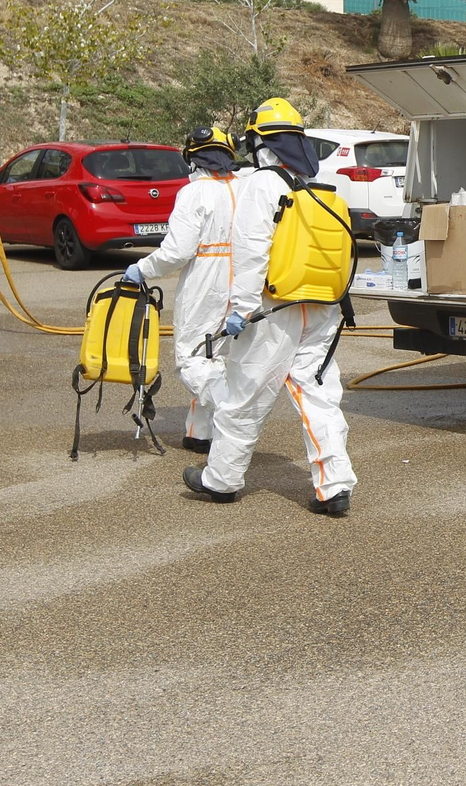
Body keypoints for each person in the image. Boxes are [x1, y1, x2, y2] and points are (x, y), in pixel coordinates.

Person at [182, 98, 357, 514]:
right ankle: (334, 487)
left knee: (244, 396)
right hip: (323, 306)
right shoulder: (322, 183)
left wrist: (240, 309)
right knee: (317, 393)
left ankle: (221, 480)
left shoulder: (263, 183)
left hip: (273, 308)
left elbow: (250, 251)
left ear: (259, 142)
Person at [122, 126, 238, 453]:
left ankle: (234, 415)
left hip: (206, 283)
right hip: (245, 282)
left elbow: (177, 252)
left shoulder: (195, 193)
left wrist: (142, 270)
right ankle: (200, 435)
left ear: (192, 158)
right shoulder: (245, 188)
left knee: (191, 360)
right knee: (220, 358)